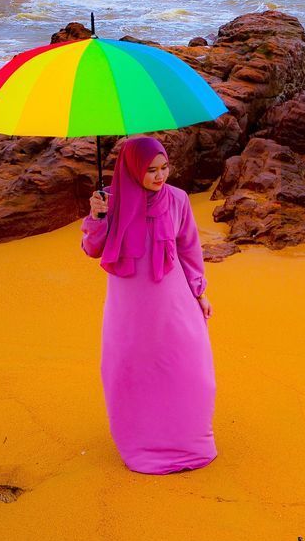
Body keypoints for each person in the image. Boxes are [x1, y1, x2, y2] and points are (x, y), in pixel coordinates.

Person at [80, 135, 218, 474]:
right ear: (132, 169)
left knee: (189, 367)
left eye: (164, 167)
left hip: (173, 300)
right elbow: (93, 249)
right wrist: (98, 218)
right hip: (130, 305)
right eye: (151, 170)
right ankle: (141, 442)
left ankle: (190, 441)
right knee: (134, 370)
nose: (160, 176)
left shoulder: (178, 200)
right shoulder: (112, 201)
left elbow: (189, 248)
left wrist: (199, 292)